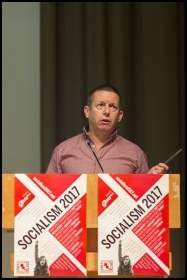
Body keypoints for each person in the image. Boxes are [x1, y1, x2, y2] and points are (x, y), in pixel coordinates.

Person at [46, 85, 169, 174]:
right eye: (100, 105)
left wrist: (152, 180)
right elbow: (49, 194)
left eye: (112, 107)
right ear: (87, 111)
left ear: (120, 116)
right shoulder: (62, 151)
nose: (106, 111)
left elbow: (143, 197)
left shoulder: (134, 153)